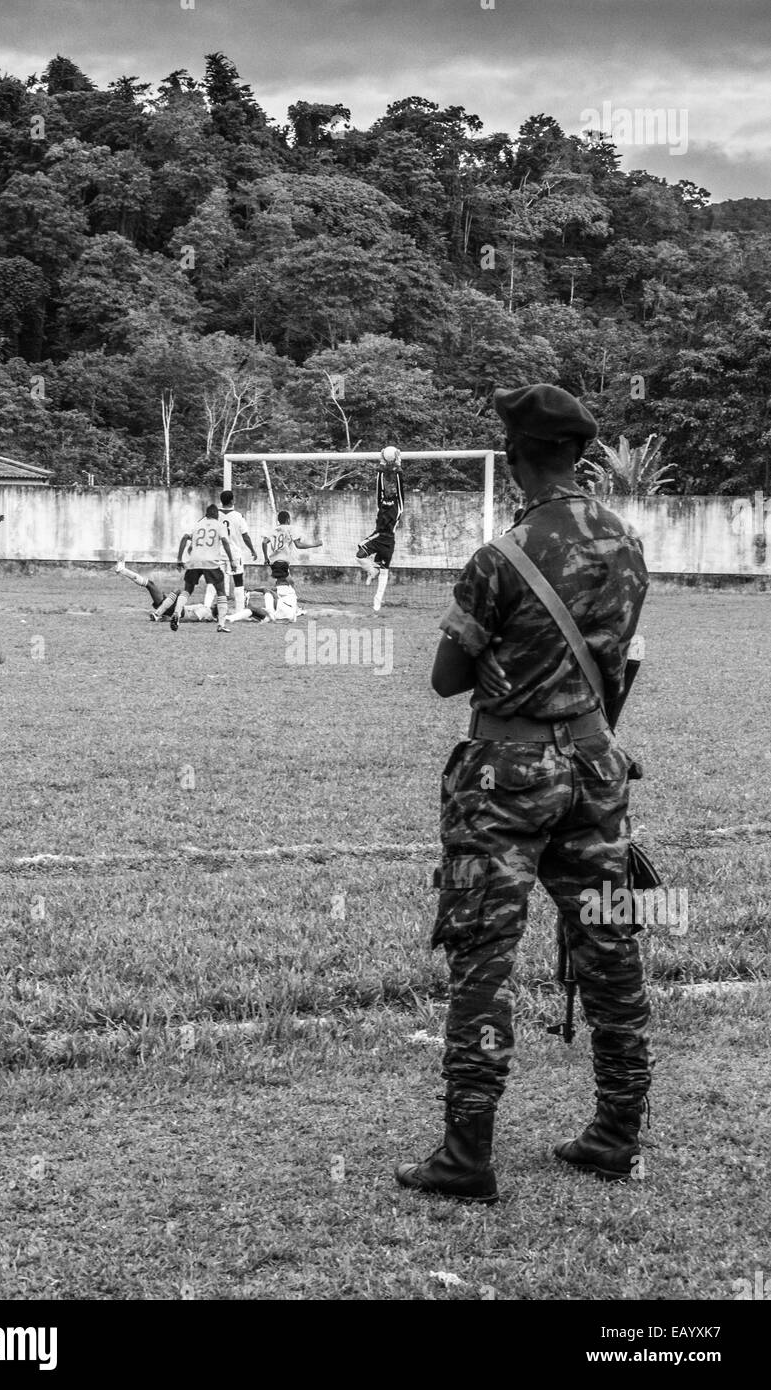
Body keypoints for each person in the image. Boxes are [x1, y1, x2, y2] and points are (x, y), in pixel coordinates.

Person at [395, 383, 651, 1203]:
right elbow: (623, 662)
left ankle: (466, 1156)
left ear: (513, 460)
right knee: (611, 948)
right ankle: (616, 1135)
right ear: (579, 456)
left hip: (506, 777)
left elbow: (444, 679)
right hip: (593, 768)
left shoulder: (499, 558)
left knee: (484, 959)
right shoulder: (628, 544)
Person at [171, 504, 234, 633]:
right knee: (221, 591)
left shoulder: (197, 525)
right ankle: (221, 624)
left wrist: (179, 559)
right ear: (216, 515)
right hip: (211, 562)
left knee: (187, 589)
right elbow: (226, 542)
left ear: (206, 514)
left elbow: (184, 538)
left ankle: (176, 613)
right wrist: (231, 560)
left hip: (194, 561)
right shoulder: (219, 525)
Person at [356, 448, 404, 613]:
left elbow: (399, 484)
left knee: (385, 573)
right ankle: (372, 570)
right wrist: (382, 465)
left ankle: (377, 604)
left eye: (393, 489)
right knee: (360, 553)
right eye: (388, 488)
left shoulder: (399, 507)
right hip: (378, 536)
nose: (390, 489)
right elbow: (379, 487)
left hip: (389, 541)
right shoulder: (381, 502)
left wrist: (397, 464)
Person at [114, 559, 215, 621]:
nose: (216, 604)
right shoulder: (207, 611)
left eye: (218, 606)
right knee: (150, 585)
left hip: (174, 610)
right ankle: (123, 570)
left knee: (155, 586)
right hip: (173, 608)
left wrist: (174, 616)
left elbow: (192, 618)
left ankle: (158, 613)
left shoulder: (207, 612)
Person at [218, 489, 259, 614]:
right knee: (238, 581)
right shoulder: (238, 516)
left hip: (218, 553)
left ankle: (217, 610)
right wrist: (252, 550)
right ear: (232, 500)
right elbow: (245, 536)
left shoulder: (215, 515)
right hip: (234, 553)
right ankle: (239, 610)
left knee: (217, 582)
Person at [262, 510, 322, 578]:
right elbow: (298, 545)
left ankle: (278, 588)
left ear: (278, 520)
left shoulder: (274, 529)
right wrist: (315, 545)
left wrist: (266, 558)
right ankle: (267, 589)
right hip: (283, 561)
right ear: (288, 520)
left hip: (274, 561)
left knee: (287, 581)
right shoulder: (291, 528)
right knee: (283, 582)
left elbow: (264, 542)